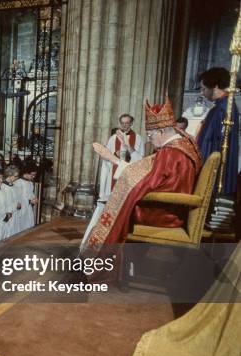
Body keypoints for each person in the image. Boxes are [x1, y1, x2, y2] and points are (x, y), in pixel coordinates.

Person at [84, 96, 202, 280]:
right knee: (116, 203)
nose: (148, 139)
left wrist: (113, 159)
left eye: (150, 135)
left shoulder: (171, 152)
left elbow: (144, 182)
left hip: (165, 211)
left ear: (162, 131)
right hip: (173, 205)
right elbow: (149, 170)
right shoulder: (183, 143)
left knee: (116, 208)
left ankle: (97, 266)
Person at [80, 114, 146, 246]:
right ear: (120, 123)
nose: (125, 126)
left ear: (132, 123)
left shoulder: (138, 138)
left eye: (127, 123)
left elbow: (140, 159)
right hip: (114, 174)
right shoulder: (113, 138)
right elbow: (106, 158)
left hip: (128, 173)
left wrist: (128, 153)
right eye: (122, 123)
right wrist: (113, 155)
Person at [196, 67, 239, 195]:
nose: (201, 93)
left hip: (214, 175)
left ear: (214, 86)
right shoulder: (221, 107)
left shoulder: (223, 109)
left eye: (203, 89)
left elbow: (217, 145)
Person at [15, 165, 39, 231]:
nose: (33, 177)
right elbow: (17, 198)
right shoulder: (18, 183)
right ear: (26, 173)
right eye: (32, 175)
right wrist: (29, 201)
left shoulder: (30, 183)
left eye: (35, 175)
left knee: (29, 227)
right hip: (21, 210)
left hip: (28, 209)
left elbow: (31, 194)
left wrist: (34, 198)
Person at [1, 165, 22, 238]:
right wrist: (14, 206)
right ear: (9, 175)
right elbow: (4, 203)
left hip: (15, 215)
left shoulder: (14, 186)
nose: (17, 178)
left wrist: (18, 205)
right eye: (15, 176)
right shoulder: (3, 187)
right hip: (8, 215)